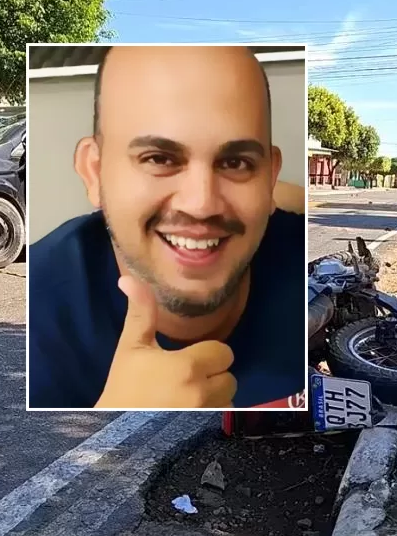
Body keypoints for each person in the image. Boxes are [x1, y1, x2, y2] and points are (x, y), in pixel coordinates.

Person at [28, 45, 305, 409]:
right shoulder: (36, 319)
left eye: (235, 163)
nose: (201, 204)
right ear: (94, 172)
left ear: (269, 176)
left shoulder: (307, 266)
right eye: (158, 158)